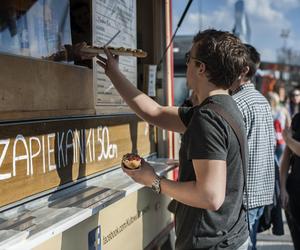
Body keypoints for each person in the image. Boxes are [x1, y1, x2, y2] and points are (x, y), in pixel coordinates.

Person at [84, 29, 250, 249]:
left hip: (210, 243)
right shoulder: (224, 108)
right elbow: (155, 113)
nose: (186, 63)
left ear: (201, 68)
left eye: (188, 58)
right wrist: (113, 72)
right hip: (229, 235)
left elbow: (210, 196)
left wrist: (153, 181)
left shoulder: (207, 119)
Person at [230, 44, 275, 250]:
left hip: (243, 198)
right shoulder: (262, 101)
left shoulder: (236, 103)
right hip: (259, 193)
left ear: (243, 70)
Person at [281, 113, 300, 250]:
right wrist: (282, 188)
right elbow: (287, 157)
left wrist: (287, 138)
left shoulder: (288, 137)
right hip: (295, 190)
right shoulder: (298, 119)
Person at [266, 91, 291, 162]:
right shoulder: (284, 110)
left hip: (270, 140)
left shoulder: (267, 110)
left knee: (272, 163)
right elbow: (289, 125)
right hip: (282, 140)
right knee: (278, 162)